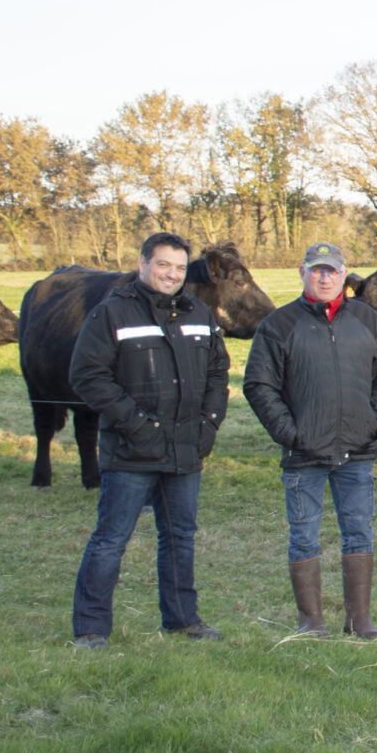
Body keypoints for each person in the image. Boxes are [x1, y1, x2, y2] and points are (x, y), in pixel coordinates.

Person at [70, 232, 229, 648]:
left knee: (180, 537)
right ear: (143, 265)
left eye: (178, 268)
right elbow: (88, 376)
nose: (171, 274)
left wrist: (208, 426)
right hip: (130, 451)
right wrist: (136, 424)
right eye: (163, 265)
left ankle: (182, 619)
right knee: (111, 540)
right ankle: (90, 627)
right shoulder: (112, 314)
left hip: (185, 449)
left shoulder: (200, 313)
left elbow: (217, 374)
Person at [244, 242, 377, 639]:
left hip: (358, 450)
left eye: (333, 270)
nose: (326, 277)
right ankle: (311, 622)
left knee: (360, 531)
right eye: (317, 270)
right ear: (302, 273)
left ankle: (359, 620)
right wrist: (291, 433)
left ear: (345, 274)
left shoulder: (366, 319)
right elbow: (260, 385)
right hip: (304, 455)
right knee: (303, 534)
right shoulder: (278, 325)